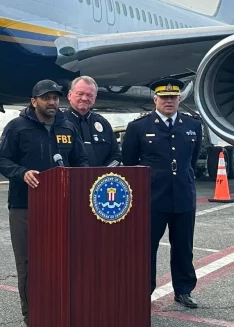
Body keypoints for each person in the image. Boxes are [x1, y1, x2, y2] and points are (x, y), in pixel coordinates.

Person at [0, 79, 88, 327]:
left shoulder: (67, 127)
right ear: (34, 101)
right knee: (28, 265)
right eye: (47, 98)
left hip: (61, 208)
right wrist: (21, 172)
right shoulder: (17, 127)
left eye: (56, 98)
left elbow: (81, 162)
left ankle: (58, 312)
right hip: (24, 207)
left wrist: (78, 180)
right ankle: (31, 317)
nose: (53, 102)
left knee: (60, 262)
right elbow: (0, 160)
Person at [121, 78, 202, 308]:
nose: (169, 101)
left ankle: (184, 290)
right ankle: (143, 291)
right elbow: (129, 163)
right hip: (151, 199)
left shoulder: (193, 124)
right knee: (146, 247)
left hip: (183, 196)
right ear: (155, 99)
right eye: (164, 97)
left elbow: (192, 160)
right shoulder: (139, 127)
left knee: (184, 246)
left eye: (173, 97)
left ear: (179, 99)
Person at [64, 76, 122, 167]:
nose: (84, 98)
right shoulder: (59, 122)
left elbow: (116, 156)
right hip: (69, 178)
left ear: (95, 98)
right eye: (80, 94)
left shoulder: (103, 123)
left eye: (89, 95)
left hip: (100, 179)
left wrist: (102, 174)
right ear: (69, 95)